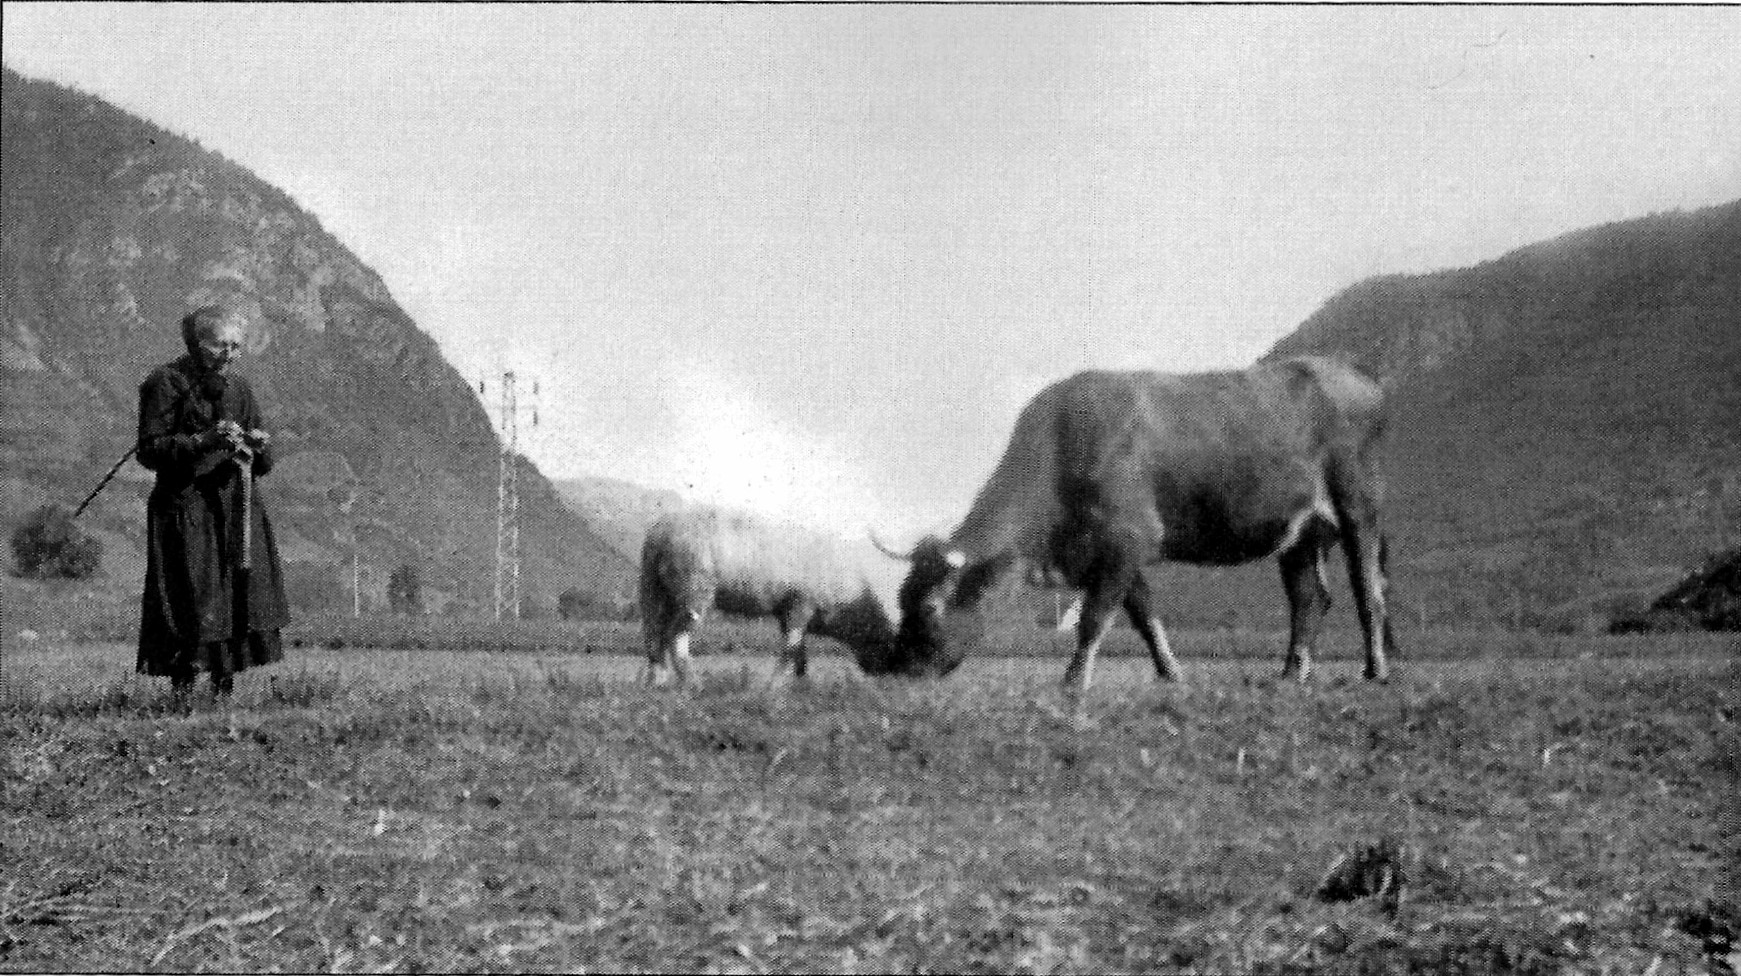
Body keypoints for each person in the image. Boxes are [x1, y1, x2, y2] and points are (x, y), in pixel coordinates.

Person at [136, 305, 290, 694]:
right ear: (196, 343)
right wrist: (205, 441)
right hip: (186, 508)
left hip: (235, 508)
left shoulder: (240, 389)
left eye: (236, 347)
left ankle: (224, 689)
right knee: (191, 596)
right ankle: (182, 690)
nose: (229, 355)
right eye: (220, 346)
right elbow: (150, 450)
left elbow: (263, 465)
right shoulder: (165, 383)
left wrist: (258, 446)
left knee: (235, 595)